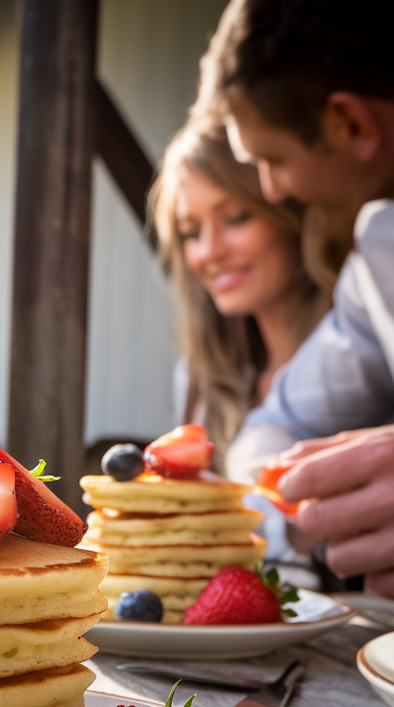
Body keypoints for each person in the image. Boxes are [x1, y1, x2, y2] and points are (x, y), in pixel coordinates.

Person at [196, 0, 394, 598]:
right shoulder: (373, 277)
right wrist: (294, 488)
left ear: (351, 125)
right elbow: (279, 423)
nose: (273, 190)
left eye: (272, 160)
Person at [151, 117, 330, 472]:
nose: (208, 252)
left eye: (236, 217)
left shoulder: (373, 363)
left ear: (291, 211)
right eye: (191, 232)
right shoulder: (198, 381)